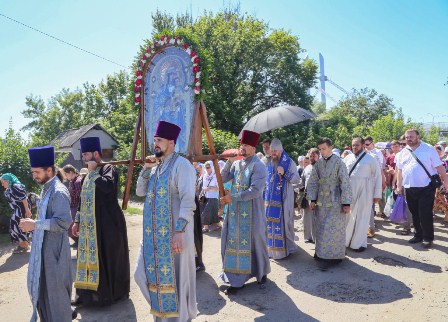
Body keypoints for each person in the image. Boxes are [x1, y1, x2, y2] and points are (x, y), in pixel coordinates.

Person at [134, 121, 197, 321]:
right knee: (140, 275)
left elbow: (188, 200)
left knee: (179, 279)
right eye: (154, 140)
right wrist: (145, 168)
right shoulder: (156, 167)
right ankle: (162, 313)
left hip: (175, 234)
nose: (156, 144)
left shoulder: (182, 165)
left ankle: (179, 318)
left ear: (171, 142)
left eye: (159, 140)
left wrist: (179, 232)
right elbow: (140, 192)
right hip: (153, 237)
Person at [72, 137, 130, 306]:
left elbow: (108, 188)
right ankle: (86, 296)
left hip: (109, 224)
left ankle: (109, 296)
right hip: (90, 225)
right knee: (87, 259)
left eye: (86, 154)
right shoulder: (87, 175)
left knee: (109, 258)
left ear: (96, 154)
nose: (83, 158)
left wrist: (94, 172)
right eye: (82, 155)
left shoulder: (107, 168)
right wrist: (77, 221)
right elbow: (82, 200)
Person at [19, 146, 74, 321]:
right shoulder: (47, 187)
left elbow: (64, 222)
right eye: (33, 171)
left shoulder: (58, 191)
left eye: (37, 172)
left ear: (49, 170)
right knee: (44, 295)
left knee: (57, 297)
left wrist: (35, 225)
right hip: (44, 251)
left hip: (55, 253)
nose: (34, 175)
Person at [219, 130, 270, 294]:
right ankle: (236, 280)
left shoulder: (259, 166)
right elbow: (223, 178)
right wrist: (229, 162)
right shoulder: (237, 164)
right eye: (242, 145)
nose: (243, 148)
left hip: (252, 213)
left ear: (254, 148)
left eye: (246, 145)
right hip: (234, 212)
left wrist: (232, 197)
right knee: (231, 243)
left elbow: (255, 191)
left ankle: (261, 273)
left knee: (256, 242)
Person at [396, 129, 448, 248]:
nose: (409, 139)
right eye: (407, 137)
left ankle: (427, 238)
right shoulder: (403, 152)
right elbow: (399, 171)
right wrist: (399, 185)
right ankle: (418, 235)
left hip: (426, 187)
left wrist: (446, 181)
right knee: (414, 212)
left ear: (418, 136)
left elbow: (439, 167)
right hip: (409, 187)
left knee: (425, 213)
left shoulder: (428, 149)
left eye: (411, 137)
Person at [307, 137, 352, 271]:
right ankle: (322, 254)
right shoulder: (319, 164)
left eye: (324, 149)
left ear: (330, 148)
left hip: (335, 200)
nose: (322, 152)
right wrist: (312, 200)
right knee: (321, 228)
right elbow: (313, 182)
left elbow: (345, 182)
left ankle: (335, 256)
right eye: (320, 149)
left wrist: (346, 202)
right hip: (321, 201)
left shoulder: (339, 163)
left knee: (334, 229)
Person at [344, 138, 382, 252]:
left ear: (362, 145)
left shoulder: (371, 158)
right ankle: (346, 241)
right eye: (353, 145)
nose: (355, 147)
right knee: (348, 216)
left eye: (357, 145)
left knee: (362, 217)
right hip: (349, 190)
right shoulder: (347, 158)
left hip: (365, 190)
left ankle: (358, 243)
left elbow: (378, 176)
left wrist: (377, 194)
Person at [265, 138, 300, 259]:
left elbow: (297, 180)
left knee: (286, 224)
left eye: (275, 150)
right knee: (270, 226)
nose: (273, 153)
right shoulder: (270, 163)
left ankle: (287, 249)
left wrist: (285, 173)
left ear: (281, 150)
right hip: (270, 201)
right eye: (272, 150)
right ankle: (272, 251)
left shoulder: (289, 162)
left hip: (284, 199)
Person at [0, 173, 32, 253]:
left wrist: (27, 211)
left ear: (7, 181)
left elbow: (24, 198)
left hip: (21, 210)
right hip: (17, 210)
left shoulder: (15, 186)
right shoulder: (10, 187)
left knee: (18, 227)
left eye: (3, 182)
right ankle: (23, 244)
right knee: (17, 227)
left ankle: (24, 245)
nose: (2, 184)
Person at [364, 136, 386, 237]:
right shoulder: (362, 153)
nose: (366, 146)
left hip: (372, 183)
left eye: (367, 144)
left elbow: (380, 170)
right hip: (363, 183)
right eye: (364, 144)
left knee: (370, 205)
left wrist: (382, 182)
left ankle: (371, 227)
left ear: (372, 143)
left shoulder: (377, 154)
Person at [301, 148, 320, 243]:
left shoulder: (322, 168)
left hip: (318, 197)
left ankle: (317, 238)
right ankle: (308, 237)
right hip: (307, 196)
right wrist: (299, 199)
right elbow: (302, 182)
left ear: (318, 156)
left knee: (316, 219)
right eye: (310, 156)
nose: (312, 158)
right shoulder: (307, 168)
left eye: (314, 156)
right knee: (306, 217)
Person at [62, 164, 82, 248]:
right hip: (71, 207)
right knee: (69, 228)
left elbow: (80, 197)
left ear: (70, 172)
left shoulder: (78, 181)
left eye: (66, 174)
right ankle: (77, 242)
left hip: (76, 207)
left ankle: (79, 243)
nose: (65, 177)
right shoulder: (72, 181)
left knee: (72, 228)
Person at [200, 161, 220, 232]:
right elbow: (203, 186)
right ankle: (218, 225)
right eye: (206, 167)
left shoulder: (216, 176)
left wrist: (210, 188)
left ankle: (206, 228)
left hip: (213, 196)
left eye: (208, 167)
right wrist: (201, 194)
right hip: (206, 196)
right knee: (214, 212)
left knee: (206, 211)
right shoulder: (205, 175)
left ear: (212, 167)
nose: (207, 169)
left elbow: (219, 188)